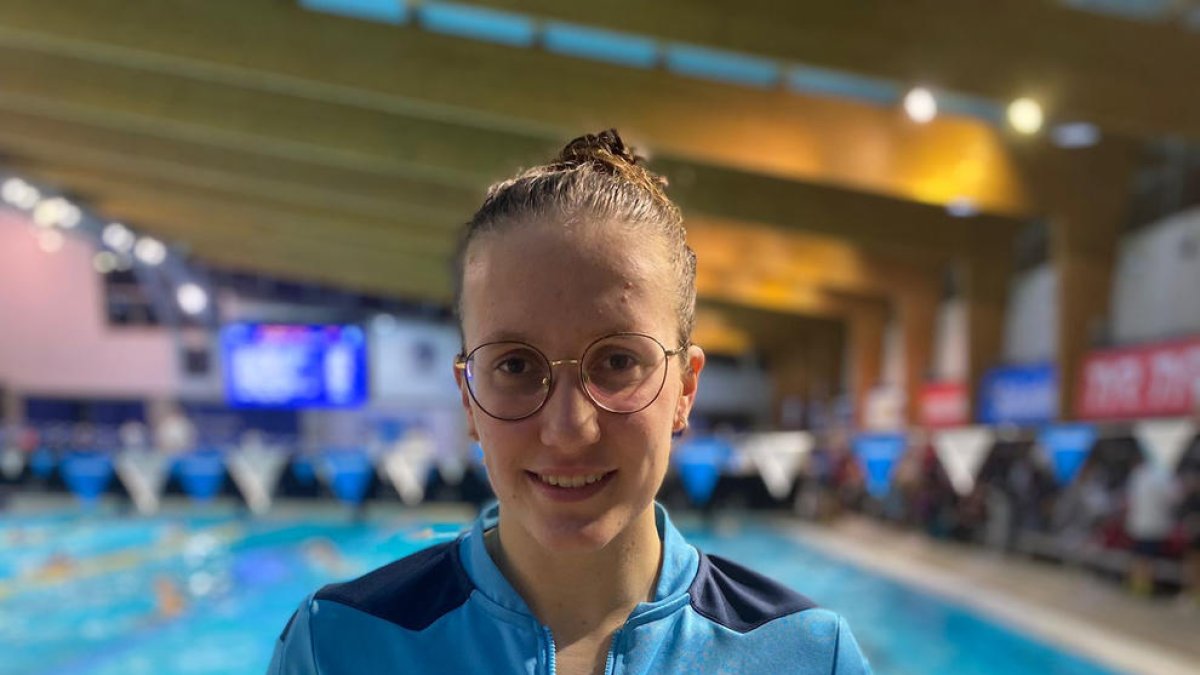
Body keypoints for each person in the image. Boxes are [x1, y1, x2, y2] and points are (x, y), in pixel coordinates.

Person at [269, 130, 871, 674]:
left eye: (616, 362)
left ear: (685, 389)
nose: (567, 429)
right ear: (468, 398)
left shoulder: (807, 657)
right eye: (515, 365)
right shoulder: (341, 647)